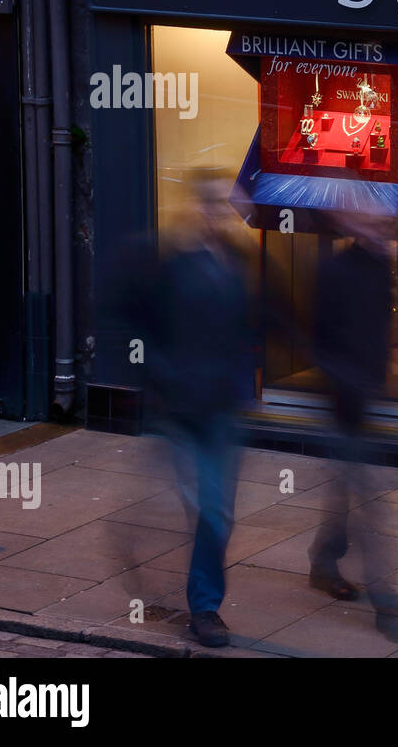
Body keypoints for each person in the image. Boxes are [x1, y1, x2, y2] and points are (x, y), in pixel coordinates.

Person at [123, 171, 262, 648]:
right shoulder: (171, 266)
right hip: (183, 409)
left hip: (222, 407)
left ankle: (204, 602)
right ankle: (203, 609)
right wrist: (166, 380)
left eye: (230, 210)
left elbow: (257, 322)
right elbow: (139, 327)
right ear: (203, 211)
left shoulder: (242, 262)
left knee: (218, 511)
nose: (226, 218)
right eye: (220, 209)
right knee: (206, 506)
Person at [305, 208, 398, 641]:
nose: (381, 231)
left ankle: (323, 560)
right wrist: (342, 381)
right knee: (370, 503)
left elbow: (380, 327)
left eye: (383, 224)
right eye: (371, 224)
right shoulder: (334, 271)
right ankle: (388, 605)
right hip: (342, 399)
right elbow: (317, 337)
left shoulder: (381, 267)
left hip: (362, 397)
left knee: (346, 486)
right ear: (351, 227)